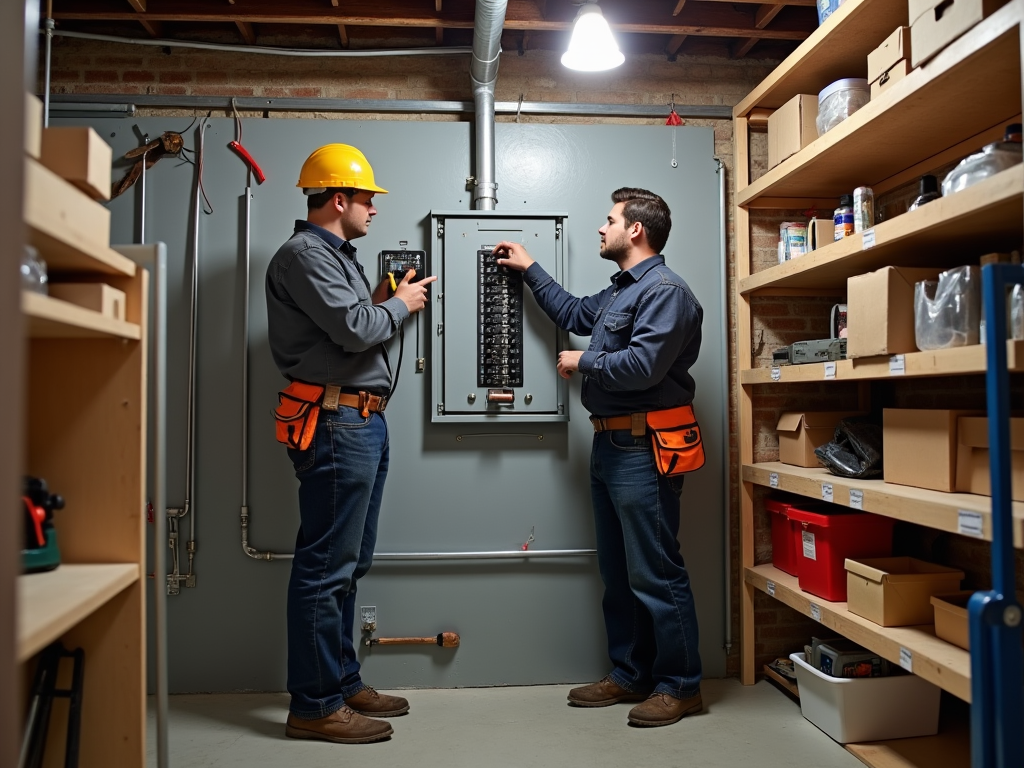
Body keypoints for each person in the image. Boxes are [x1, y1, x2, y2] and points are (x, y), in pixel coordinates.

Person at [493, 187, 703, 728]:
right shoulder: (621, 291)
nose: (600, 228)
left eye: (608, 220)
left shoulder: (666, 292)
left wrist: (584, 361)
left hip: (645, 447)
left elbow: (644, 367)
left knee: (656, 572)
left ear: (636, 229)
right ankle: (630, 673)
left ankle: (681, 686)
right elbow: (572, 311)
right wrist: (531, 267)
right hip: (611, 445)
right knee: (618, 572)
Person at [265, 143, 436, 744]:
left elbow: (352, 325)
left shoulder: (338, 257)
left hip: (361, 421)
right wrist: (401, 304)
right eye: (367, 199)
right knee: (324, 568)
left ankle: (338, 682)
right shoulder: (304, 255)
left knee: (348, 563)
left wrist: (386, 298)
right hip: (336, 423)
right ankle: (313, 705)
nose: (373, 209)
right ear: (339, 199)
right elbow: (357, 328)